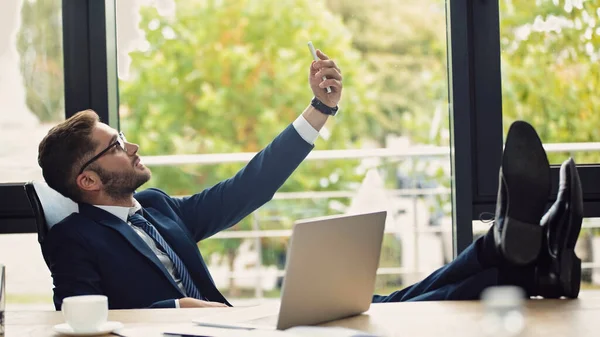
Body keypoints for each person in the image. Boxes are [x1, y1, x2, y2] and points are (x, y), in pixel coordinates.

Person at [38, 48, 583, 310]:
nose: (130, 146)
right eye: (114, 146)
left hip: (240, 326)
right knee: (384, 311)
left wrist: (318, 111)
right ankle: (523, 256)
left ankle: (523, 260)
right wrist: (176, 309)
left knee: (387, 305)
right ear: (87, 181)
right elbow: (82, 316)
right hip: (214, 333)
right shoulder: (74, 239)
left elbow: (247, 188)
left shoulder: (156, 205)